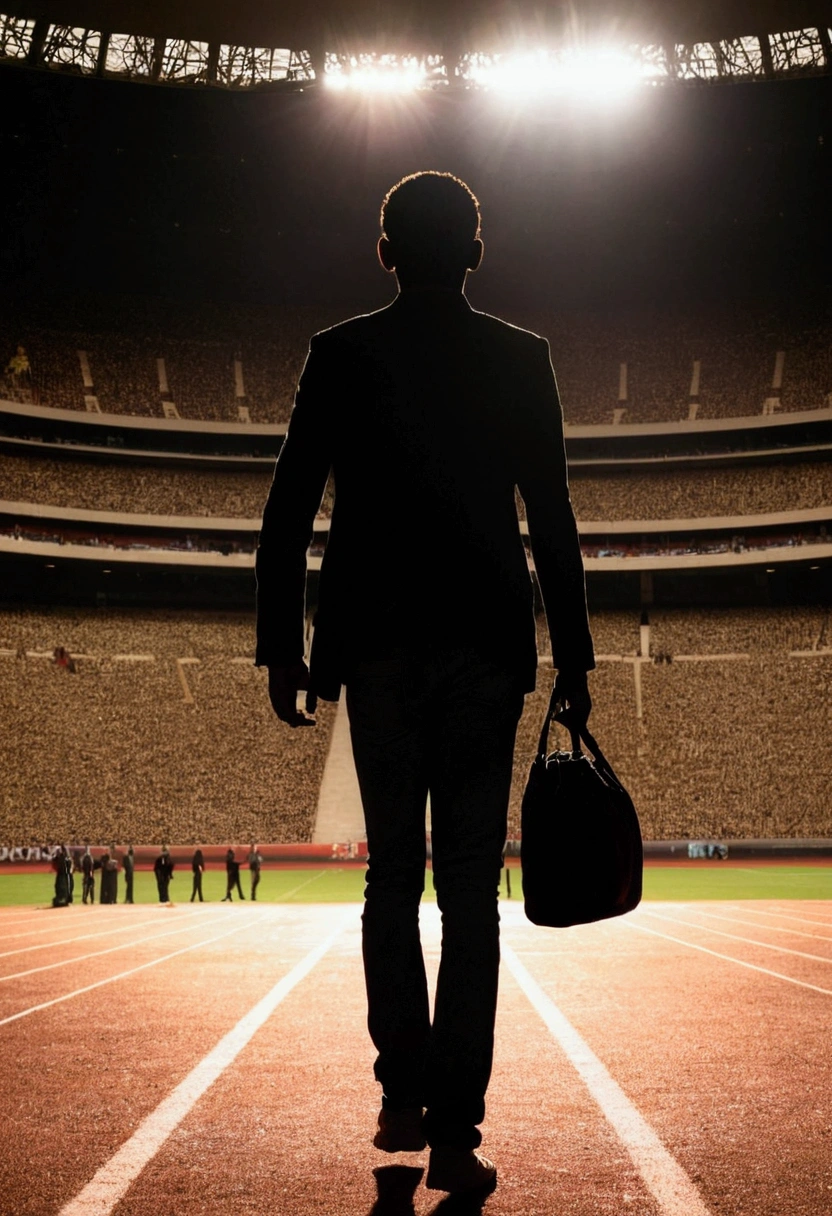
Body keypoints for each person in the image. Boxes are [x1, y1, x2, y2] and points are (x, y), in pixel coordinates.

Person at [255, 171, 594, 1194]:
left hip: (378, 648)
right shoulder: (519, 357)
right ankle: (456, 1124)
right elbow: (553, 517)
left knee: (390, 876)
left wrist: (283, 644)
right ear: (476, 252)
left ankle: (401, 1087)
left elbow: (286, 509)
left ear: (385, 251)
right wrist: (575, 654)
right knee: (468, 896)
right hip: (486, 648)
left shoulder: (342, 354)